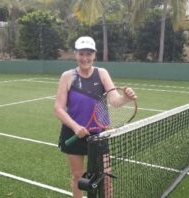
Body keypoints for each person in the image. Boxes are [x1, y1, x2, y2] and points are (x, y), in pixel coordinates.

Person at [54, 36, 137, 198]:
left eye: (89, 54)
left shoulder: (102, 73)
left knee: (105, 176)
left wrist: (126, 98)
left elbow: (115, 101)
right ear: (75, 54)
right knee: (78, 176)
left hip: (100, 133)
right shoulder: (67, 76)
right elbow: (58, 108)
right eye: (81, 53)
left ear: (94, 55)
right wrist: (75, 127)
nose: (85, 58)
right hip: (73, 133)